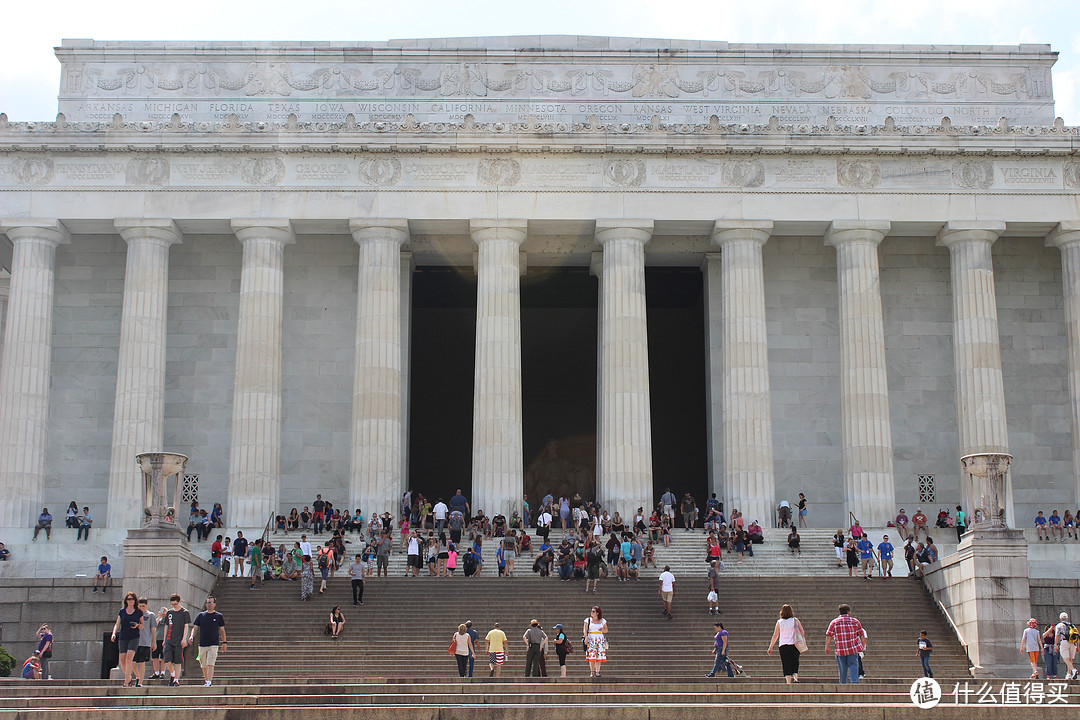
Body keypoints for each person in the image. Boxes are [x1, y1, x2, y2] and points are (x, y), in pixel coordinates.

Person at [188, 597, 226, 687]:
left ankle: (209, 681)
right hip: (202, 643)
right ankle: (206, 680)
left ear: (215, 604)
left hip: (213, 644)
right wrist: (191, 636)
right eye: (208, 602)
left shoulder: (218, 616)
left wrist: (224, 642)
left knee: (210, 663)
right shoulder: (201, 615)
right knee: (203, 665)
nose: (209, 604)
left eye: (211, 602)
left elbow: (222, 630)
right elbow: (195, 627)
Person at [825, 604, 865, 684]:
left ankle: (843, 684)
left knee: (842, 669)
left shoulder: (834, 622)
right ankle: (854, 683)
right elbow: (861, 634)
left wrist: (827, 646)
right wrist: (863, 645)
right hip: (852, 649)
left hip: (840, 649)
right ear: (848, 612)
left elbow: (829, 635)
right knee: (853, 666)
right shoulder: (855, 621)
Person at [111, 591, 143, 687]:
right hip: (123, 636)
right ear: (126, 600)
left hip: (134, 637)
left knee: (129, 658)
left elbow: (142, 625)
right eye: (129, 599)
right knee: (123, 661)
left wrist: (137, 625)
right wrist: (113, 633)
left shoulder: (138, 612)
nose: (131, 601)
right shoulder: (122, 611)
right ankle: (128, 677)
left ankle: (126, 681)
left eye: (132, 599)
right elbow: (117, 623)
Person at [766, 604, 805, 684]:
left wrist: (771, 647)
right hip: (794, 644)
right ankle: (795, 676)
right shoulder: (795, 620)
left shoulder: (779, 622)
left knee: (786, 663)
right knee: (795, 661)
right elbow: (802, 632)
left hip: (783, 645)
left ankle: (788, 682)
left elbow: (775, 635)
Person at [161, 594, 190, 686]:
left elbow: (186, 626)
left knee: (178, 660)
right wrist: (164, 639)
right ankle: (172, 673)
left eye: (175, 604)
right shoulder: (169, 613)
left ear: (179, 602)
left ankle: (176, 679)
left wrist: (184, 639)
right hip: (169, 639)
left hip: (179, 639)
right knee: (167, 658)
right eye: (172, 604)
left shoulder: (185, 612)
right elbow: (166, 626)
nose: (174, 605)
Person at [132, 598, 156, 687]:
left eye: (143, 606)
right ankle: (137, 676)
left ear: (147, 605)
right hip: (134, 641)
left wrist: (154, 642)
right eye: (140, 606)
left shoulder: (150, 615)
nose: (141, 608)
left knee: (141, 662)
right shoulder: (135, 614)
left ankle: (140, 682)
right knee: (132, 662)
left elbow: (153, 629)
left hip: (145, 642)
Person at [584, 606, 608, 678]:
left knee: (599, 655)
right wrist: (586, 637)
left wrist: (602, 630)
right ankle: (592, 672)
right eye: (591, 611)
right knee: (592, 656)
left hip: (599, 638)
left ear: (597, 613)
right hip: (591, 638)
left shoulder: (602, 621)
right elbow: (585, 629)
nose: (592, 613)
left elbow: (606, 630)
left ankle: (597, 671)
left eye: (593, 611)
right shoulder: (587, 620)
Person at [1055, 611, 1078, 680]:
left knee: (1065, 659)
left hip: (1064, 641)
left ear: (1060, 618)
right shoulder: (1072, 625)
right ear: (1067, 618)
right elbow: (1077, 635)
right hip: (1073, 643)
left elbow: (1057, 635)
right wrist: (1078, 646)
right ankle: (1069, 674)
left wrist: (1055, 644)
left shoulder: (1059, 625)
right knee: (1070, 659)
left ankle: (1073, 670)